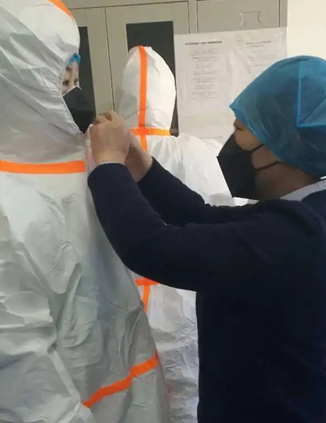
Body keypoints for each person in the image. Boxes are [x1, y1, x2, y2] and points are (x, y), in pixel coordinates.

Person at [87, 55, 326, 422]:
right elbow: (203, 216)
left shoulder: (295, 234)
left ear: (279, 146)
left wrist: (109, 164)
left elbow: (152, 248)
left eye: (240, 129)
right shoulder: (310, 211)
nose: (231, 142)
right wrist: (138, 164)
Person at [0, 0, 168, 423]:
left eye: (75, 77)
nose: (76, 95)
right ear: (13, 90)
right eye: (62, 83)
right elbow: (24, 385)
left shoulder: (89, 171)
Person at [116, 45, 235, 422]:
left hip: (121, 301)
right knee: (188, 396)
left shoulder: (96, 153)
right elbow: (222, 220)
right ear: (168, 97)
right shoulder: (196, 152)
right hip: (183, 299)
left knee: (130, 398)